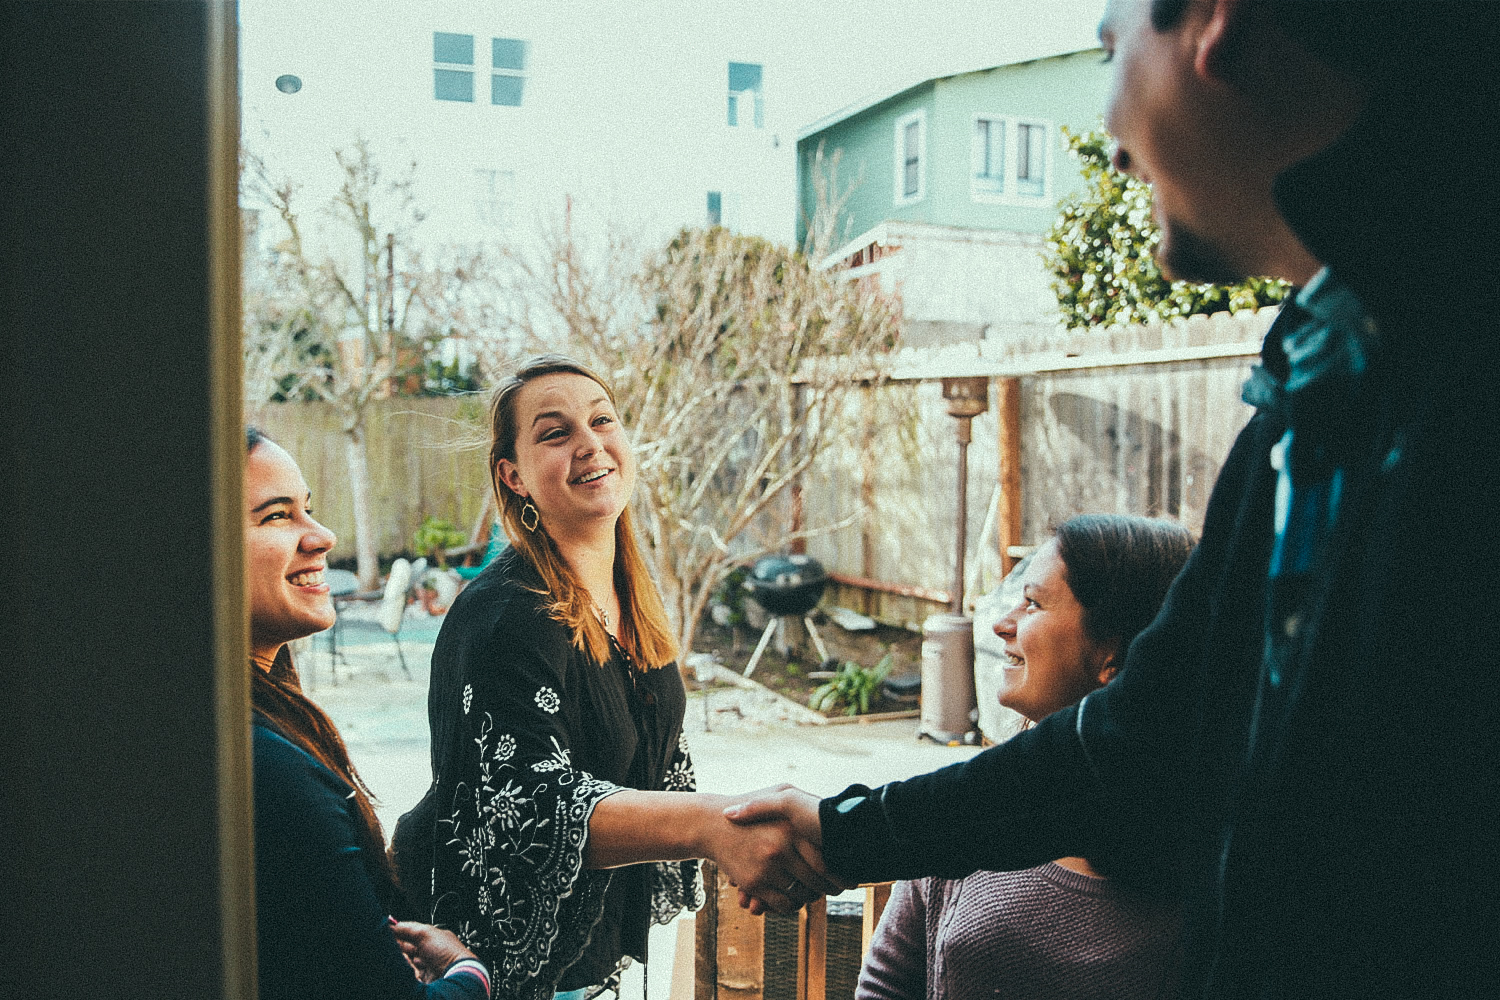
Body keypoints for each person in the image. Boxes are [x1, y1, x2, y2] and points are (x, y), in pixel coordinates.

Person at [726, 2, 1500, 997]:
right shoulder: (1319, 385)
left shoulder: (1445, 364)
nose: (1110, 137)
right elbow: (1140, 741)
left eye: (1109, 48)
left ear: (1215, 23)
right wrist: (843, 832)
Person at [392, 355, 837, 1000]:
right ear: (512, 476)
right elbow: (535, 806)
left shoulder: (629, 596)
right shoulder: (506, 614)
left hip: (593, 964)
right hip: (489, 971)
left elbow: (648, 764)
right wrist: (715, 826)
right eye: (555, 432)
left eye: (603, 420)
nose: (590, 444)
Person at [856, 515, 1192, 1000]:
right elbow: (885, 986)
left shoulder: (1210, 870)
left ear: (1116, 655)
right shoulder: (965, 810)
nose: (1001, 624)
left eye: (1032, 604)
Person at [245, 426, 493, 999]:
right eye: (277, 516)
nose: (323, 535)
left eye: (308, 508)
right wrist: (468, 972)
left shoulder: (263, 731)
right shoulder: (268, 769)